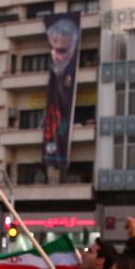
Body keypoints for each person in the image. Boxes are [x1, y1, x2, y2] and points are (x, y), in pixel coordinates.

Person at [43, 16, 81, 167]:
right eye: (52, 48)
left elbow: (65, 117)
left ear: (72, 51)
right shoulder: (53, 73)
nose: (54, 55)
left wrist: (60, 132)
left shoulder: (70, 75)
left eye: (61, 51)